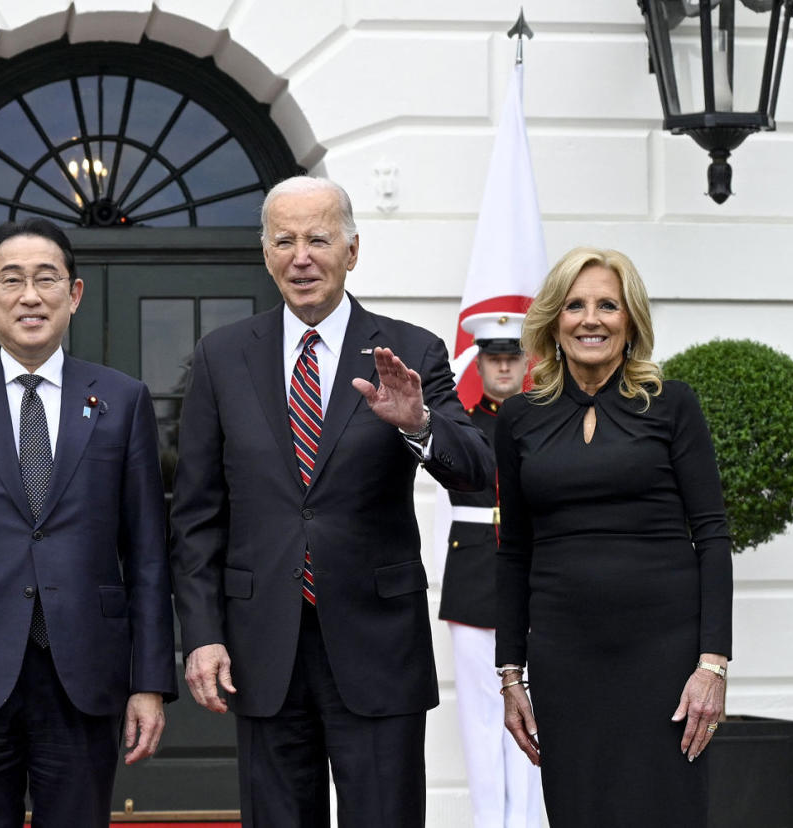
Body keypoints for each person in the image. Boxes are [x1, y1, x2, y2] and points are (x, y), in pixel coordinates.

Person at [169, 175, 494, 827]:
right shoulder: (222, 357)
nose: (301, 256)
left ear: (352, 250)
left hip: (376, 643)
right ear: (265, 255)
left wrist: (419, 423)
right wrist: (201, 635)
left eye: (318, 239)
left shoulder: (409, 350)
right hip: (263, 646)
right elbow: (196, 514)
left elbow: (478, 469)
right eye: (283, 240)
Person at [0, 218, 177, 828]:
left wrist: (150, 680)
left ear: (73, 295)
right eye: (11, 280)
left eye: (46, 279)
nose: (30, 296)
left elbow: (149, 554)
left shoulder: (121, 399)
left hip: (85, 673)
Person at [495, 247, 731, 828]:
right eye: (575, 305)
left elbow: (713, 535)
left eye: (608, 304)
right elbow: (513, 550)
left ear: (631, 322)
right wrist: (510, 675)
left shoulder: (673, 405)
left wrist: (713, 665)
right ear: (554, 321)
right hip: (565, 659)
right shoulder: (518, 417)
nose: (590, 319)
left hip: (665, 661)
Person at [437, 312, 542, 828]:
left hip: (533, 576)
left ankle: (526, 819)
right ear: (479, 362)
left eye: (511, 357)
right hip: (475, 570)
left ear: (526, 362)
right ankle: (488, 819)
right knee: (480, 715)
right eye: (493, 358)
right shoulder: (462, 422)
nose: (503, 366)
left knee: (533, 708)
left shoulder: (539, 418)